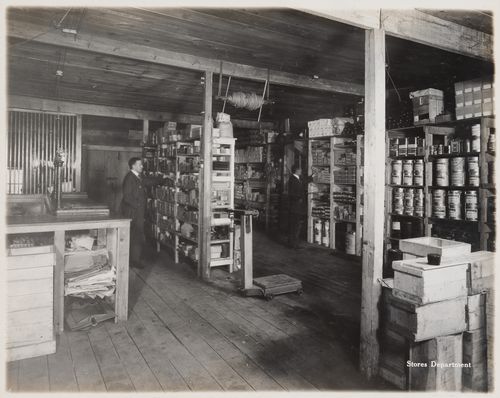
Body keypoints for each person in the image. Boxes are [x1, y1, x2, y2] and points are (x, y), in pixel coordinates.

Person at [121, 157, 163, 269]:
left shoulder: (137, 177)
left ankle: (134, 259)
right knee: (136, 235)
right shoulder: (130, 178)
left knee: (136, 235)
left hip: (137, 212)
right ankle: (134, 260)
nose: (142, 166)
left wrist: (162, 178)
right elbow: (127, 197)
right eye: (140, 164)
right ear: (133, 166)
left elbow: (148, 181)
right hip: (133, 212)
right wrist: (139, 206)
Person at [288, 165, 307, 249]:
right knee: (294, 226)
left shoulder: (298, 178)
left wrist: (312, 176)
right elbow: (291, 193)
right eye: (300, 169)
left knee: (296, 225)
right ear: (296, 170)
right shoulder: (292, 179)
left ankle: (292, 242)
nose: (301, 170)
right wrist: (298, 198)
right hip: (295, 206)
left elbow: (304, 182)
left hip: (298, 207)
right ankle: (293, 244)